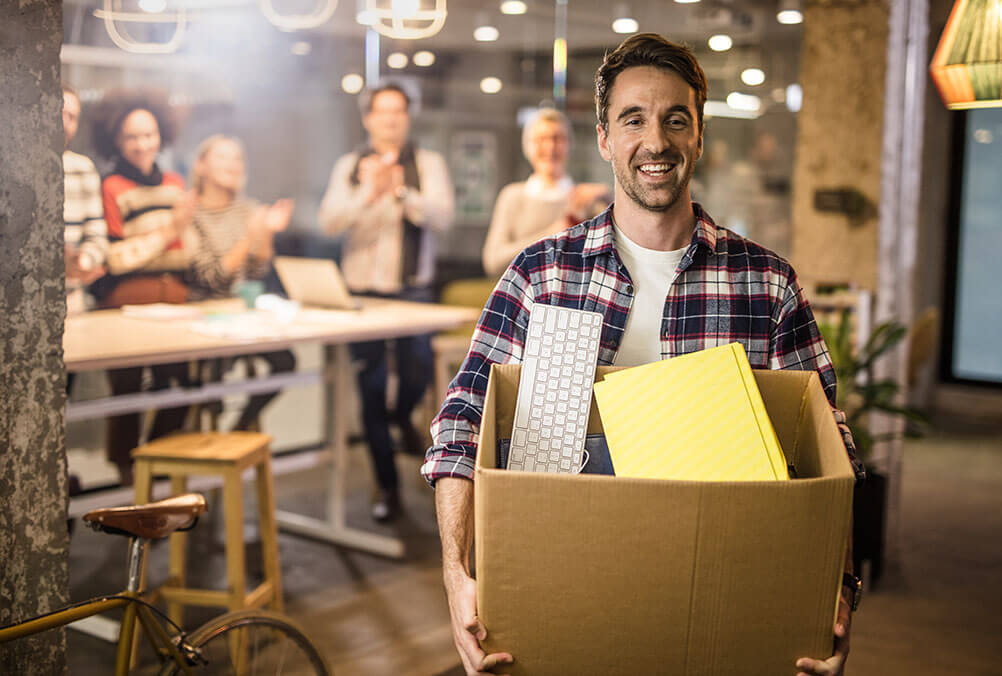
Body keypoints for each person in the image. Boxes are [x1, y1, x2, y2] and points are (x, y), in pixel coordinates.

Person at [422, 34, 864, 676]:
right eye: (633, 119)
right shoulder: (541, 275)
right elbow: (462, 426)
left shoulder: (765, 282)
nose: (655, 142)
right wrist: (457, 575)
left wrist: (840, 591)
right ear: (603, 138)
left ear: (699, 136)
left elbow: (830, 449)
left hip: (723, 600)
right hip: (559, 594)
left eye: (675, 120)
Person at [319, 82, 454, 522]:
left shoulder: (427, 163)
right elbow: (329, 222)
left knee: (416, 371)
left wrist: (400, 193)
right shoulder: (350, 164)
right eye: (382, 112)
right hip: (361, 294)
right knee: (371, 390)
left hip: (413, 290)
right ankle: (388, 488)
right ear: (368, 118)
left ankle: (404, 416)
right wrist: (368, 193)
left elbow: (444, 216)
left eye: (399, 111)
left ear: (408, 118)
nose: (391, 119)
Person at [90, 89, 197, 485]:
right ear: (116, 139)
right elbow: (115, 258)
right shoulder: (112, 186)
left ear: (161, 135)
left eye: (148, 134)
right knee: (127, 389)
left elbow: (184, 249)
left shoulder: (174, 182)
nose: (141, 144)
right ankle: (126, 470)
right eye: (131, 136)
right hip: (127, 302)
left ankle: (154, 458)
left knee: (183, 385)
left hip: (176, 300)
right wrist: (167, 232)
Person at [188, 133, 296, 431]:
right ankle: (210, 426)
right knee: (207, 381)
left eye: (237, 158)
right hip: (203, 314)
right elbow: (213, 278)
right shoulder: (190, 212)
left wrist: (267, 234)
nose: (232, 164)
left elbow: (258, 271)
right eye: (222, 157)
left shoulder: (248, 209)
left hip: (240, 314)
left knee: (285, 362)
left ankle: (239, 429)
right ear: (200, 165)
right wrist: (250, 236)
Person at [481, 107, 610, 276]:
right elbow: (493, 263)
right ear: (527, 146)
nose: (550, 147)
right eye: (541, 139)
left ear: (569, 145)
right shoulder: (512, 196)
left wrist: (608, 195)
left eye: (558, 139)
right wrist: (552, 234)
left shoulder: (585, 200)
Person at [62, 84, 108, 318]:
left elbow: (97, 236)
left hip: (71, 302)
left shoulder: (82, 168)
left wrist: (84, 262)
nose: (66, 123)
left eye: (73, 117)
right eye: (60, 112)